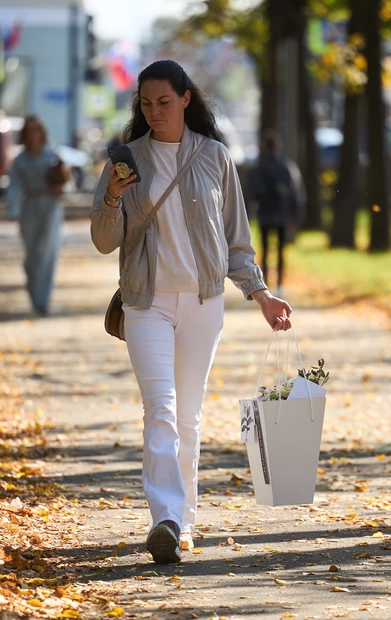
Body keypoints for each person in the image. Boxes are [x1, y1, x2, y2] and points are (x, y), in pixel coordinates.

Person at [90, 60, 293, 565]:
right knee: (159, 410)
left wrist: (261, 294)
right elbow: (103, 240)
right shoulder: (125, 162)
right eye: (145, 103)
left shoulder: (214, 158)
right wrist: (113, 198)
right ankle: (165, 517)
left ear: (185, 99)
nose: (154, 111)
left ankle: (184, 523)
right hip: (147, 303)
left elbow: (236, 241)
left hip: (203, 305)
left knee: (188, 416)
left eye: (164, 101)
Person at [7, 115, 65, 316]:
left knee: (48, 252)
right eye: (29, 130)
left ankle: (43, 300)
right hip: (29, 205)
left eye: (36, 129)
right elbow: (13, 186)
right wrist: (12, 210)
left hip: (51, 205)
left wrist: (61, 181)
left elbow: (66, 178)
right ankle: (33, 292)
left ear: (42, 132)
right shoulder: (20, 159)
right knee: (32, 256)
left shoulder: (52, 154)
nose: (33, 134)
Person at [248, 132, 305, 295]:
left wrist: (248, 214)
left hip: (264, 214)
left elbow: (251, 192)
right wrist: (296, 215)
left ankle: (265, 282)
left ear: (264, 147)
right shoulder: (286, 167)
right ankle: (280, 284)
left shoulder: (258, 168)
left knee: (265, 249)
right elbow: (295, 193)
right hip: (282, 215)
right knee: (280, 250)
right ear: (277, 147)